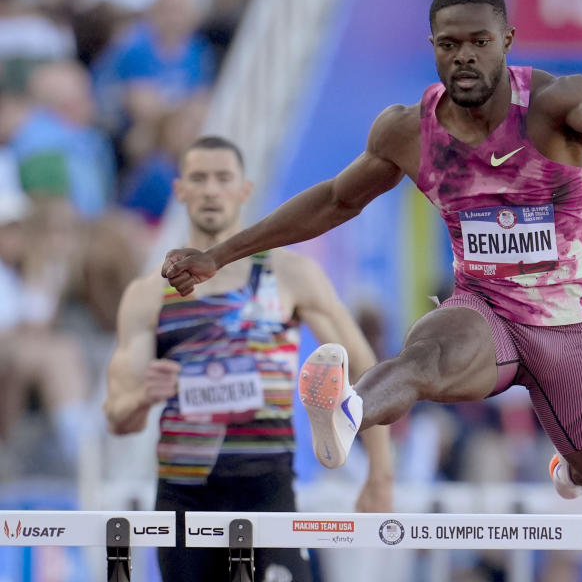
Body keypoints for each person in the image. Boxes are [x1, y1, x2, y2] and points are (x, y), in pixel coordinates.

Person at [162, 0, 582, 569]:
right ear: (433, 47)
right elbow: (334, 199)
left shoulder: (552, 104)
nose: (464, 55)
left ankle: (575, 457)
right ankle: (346, 410)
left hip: (572, 334)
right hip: (486, 313)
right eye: (448, 44)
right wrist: (220, 254)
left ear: (506, 41)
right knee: (426, 355)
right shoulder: (409, 132)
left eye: (479, 41)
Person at [104, 135, 393, 581]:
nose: (211, 189)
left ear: (244, 190)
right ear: (181, 191)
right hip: (184, 495)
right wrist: (144, 396)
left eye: (224, 178)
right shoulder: (148, 296)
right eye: (199, 178)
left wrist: (380, 474)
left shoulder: (290, 274)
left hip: (266, 488)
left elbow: (364, 367)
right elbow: (118, 417)